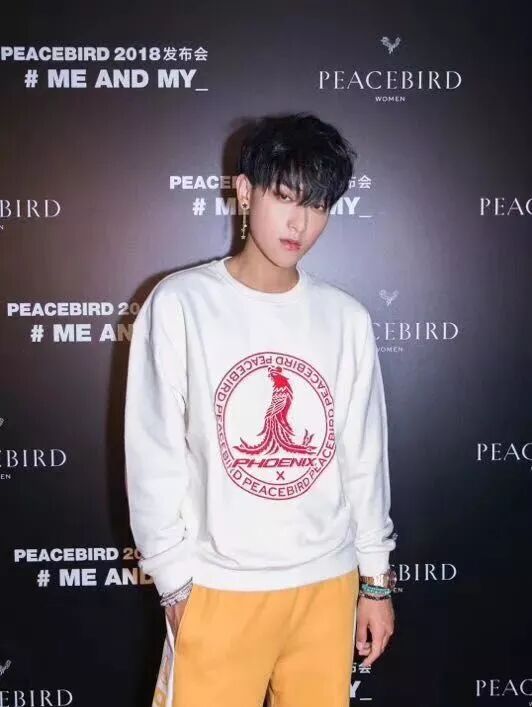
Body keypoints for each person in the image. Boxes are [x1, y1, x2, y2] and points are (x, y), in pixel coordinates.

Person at [124, 111, 397, 707]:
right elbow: (153, 451)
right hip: (218, 591)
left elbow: (363, 458)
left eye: (318, 205)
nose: (300, 222)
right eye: (285, 197)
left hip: (327, 587)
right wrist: (173, 582)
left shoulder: (345, 318)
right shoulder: (182, 304)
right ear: (246, 192)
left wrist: (375, 582)